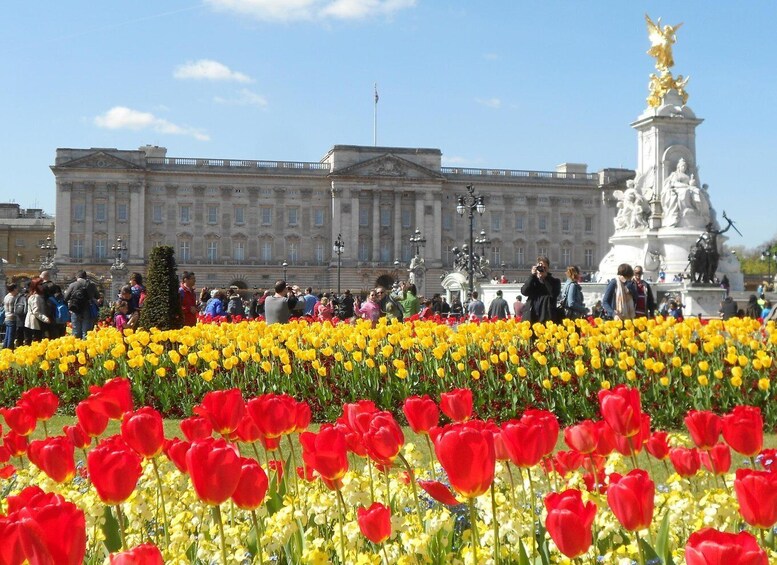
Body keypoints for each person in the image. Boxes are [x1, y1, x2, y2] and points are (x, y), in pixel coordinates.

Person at [521, 255, 562, 324]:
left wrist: (545, 278)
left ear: (548, 268)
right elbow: (524, 292)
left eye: (544, 267)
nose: (541, 269)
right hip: (531, 316)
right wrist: (532, 276)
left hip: (547, 317)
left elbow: (553, 294)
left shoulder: (555, 281)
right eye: (539, 267)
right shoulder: (532, 280)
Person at [64, 270, 98, 339]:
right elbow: (97, 296)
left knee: (76, 331)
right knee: (86, 332)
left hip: (75, 309)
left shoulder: (73, 285)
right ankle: (85, 348)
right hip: (88, 308)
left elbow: (65, 298)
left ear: (77, 276)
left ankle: (77, 348)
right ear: (85, 276)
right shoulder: (91, 284)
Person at [24, 277, 52, 344]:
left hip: (37, 321)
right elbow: (35, 311)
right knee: (36, 341)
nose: (42, 286)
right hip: (34, 322)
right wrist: (45, 319)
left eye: (42, 284)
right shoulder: (35, 297)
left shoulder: (39, 295)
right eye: (40, 284)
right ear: (35, 286)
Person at [3, 284, 18, 349]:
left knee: (7, 334)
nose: (17, 290)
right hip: (12, 318)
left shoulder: (6, 296)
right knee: (11, 335)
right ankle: (10, 348)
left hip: (7, 317)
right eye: (16, 288)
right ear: (14, 289)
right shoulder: (12, 298)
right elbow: (13, 310)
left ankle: (5, 347)